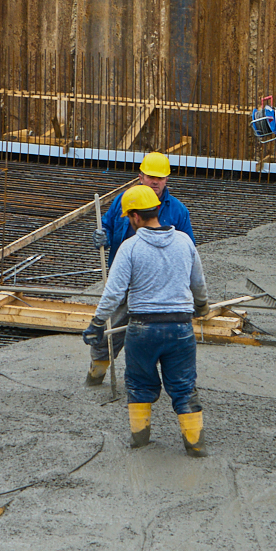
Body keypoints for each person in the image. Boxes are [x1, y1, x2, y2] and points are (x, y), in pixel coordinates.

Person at [85, 185, 210, 457]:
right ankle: (195, 444)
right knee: (184, 386)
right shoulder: (184, 243)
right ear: (156, 210)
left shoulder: (130, 248)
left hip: (142, 329)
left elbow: (114, 292)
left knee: (140, 385)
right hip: (180, 328)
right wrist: (201, 307)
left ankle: (140, 440)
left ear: (135, 218)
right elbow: (198, 283)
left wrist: (97, 323)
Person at [86, 153, 195, 386]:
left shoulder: (177, 211)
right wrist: (102, 234)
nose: (155, 182)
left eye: (160, 178)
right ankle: (96, 374)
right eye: (150, 177)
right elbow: (107, 223)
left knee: (150, 338)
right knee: (109, 336)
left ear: (166, 180)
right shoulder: (124, 200)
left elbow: (190, 254)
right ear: (141, 176)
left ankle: (149, 384)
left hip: (156, 287)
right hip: (124, 281)